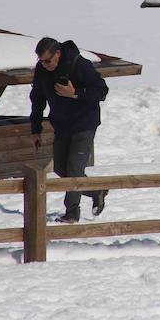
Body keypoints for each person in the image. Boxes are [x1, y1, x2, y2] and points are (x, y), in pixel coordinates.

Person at [30, 37, 109, 223]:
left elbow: (102, 91)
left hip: (84, 123)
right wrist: (35, 129)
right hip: (62, 124)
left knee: (74, 168)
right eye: (40, 61)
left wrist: (75, 93)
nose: (44, 64)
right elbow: (37, 100)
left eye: (47, 60)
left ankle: (72, 213)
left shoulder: (79, 65)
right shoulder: (42, 70)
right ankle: (97, 191)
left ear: (57, 54)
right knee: (60, 168)